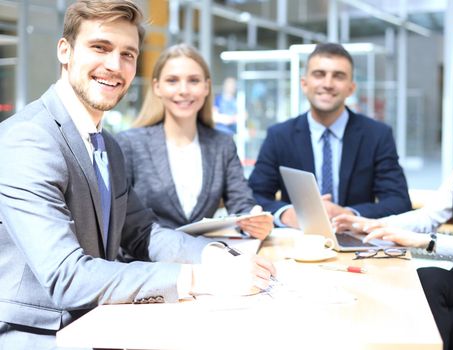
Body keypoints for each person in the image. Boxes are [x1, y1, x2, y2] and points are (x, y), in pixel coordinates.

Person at [0, 1, 275, 348]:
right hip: (40, 335)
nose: (114, 65)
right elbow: (66, 277)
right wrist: (201, 277)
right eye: (100, 47)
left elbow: (142, 232)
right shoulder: (29, 138)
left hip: (99, 319)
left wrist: (217, 255)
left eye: (128, 54)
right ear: (65, 50)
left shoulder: (108, 146)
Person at [333, 49, 453, 350]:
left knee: (425, 322)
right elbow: (431, 214)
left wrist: (426, 242)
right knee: (422, 283)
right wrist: (369, 225)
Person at [116, 44, 272, 240]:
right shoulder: (129, 144)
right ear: (157, 87)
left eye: (194, 81)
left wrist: (255, 220)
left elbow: (242, 203)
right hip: (147, 265)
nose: (183, 90)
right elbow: (120, 222)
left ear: (206, 87)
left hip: (203, 261)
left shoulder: (222, 145)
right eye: (172, 81)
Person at [248, 42, 412, 228]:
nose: (327, 84)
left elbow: (399, 202)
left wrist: (349, 214)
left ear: (351, 88)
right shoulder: (279, 135)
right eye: (319, 74)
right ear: (304, 83)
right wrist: (286, 214)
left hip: (359, 244)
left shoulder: (377, 135)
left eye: (338, 76)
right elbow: (252, 196)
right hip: (297, 242)